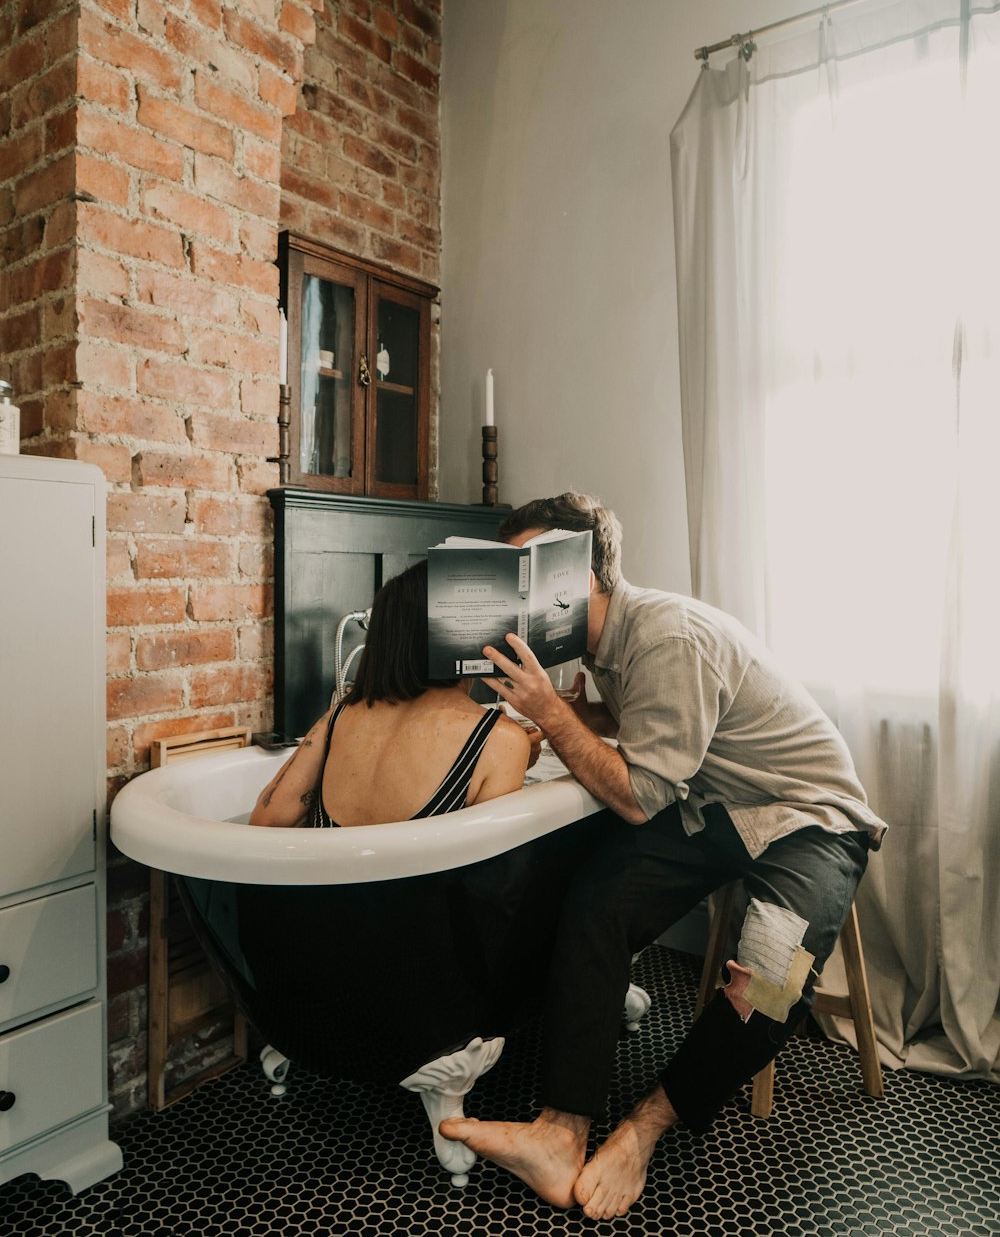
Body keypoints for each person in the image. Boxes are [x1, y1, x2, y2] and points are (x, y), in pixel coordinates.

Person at [439, 491, 886, 1219]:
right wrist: (580, 713)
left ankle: (646, 1128)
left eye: (528, 572)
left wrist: (553, 715)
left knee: (771, 982)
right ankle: (561, 1130)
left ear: (581, 575)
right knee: (595, 901)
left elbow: (642, 797)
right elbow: (648, 722)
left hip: (809, 816)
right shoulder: (607, 644)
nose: (514, 596)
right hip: (719, 808)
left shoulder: (666, 635)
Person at [250, 559, 535, 829]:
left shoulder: (342, 714)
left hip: (326, 879)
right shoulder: (501, 739)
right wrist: (512, 756)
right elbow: (488, 872)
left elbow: (267, 821)